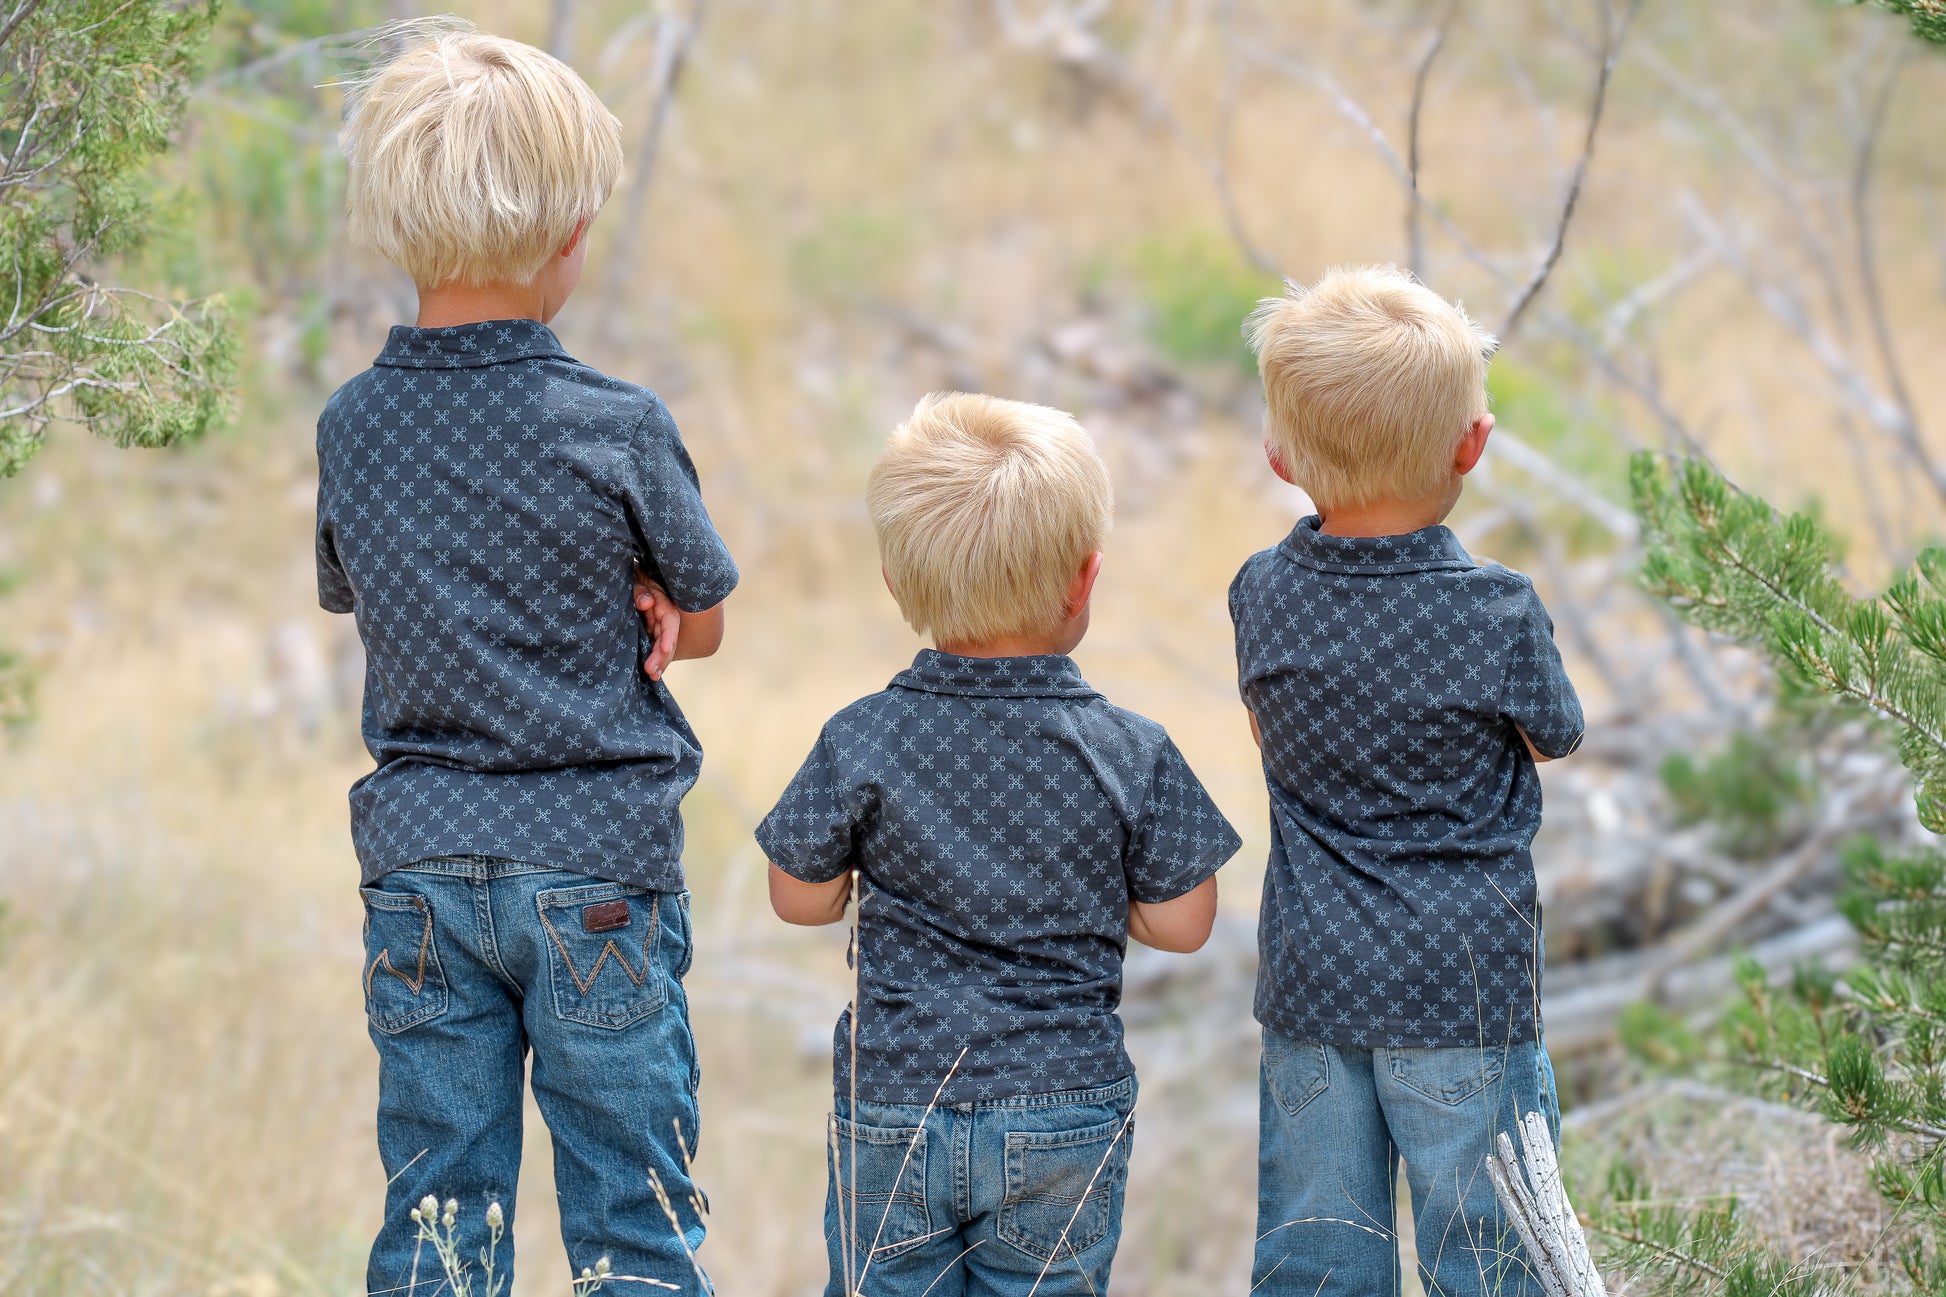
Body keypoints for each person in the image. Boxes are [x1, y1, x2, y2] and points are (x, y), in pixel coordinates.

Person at [315, 26, 735, 1293]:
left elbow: (356, 591)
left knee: (439, 1217)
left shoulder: (355, 424)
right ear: (567, 237)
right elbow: (698, 624)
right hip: (598, 866)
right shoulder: (616, 424)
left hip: (421, 872)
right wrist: (656, 605)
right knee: (634, 1222)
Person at [756, 392, 1241, 1297]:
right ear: (1085, 579)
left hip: (897, 1097)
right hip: (1064, 1100)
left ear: (898, 584)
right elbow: (1186, 925)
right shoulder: (1128, 747)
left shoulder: (862, 737)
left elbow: (796, 894)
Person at [1234, 265, 1584, 1296]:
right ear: (1470, 446)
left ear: (1280, 457)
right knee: (1490, 1253)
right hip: (1462, 982)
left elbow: (1271, 725)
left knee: (1316, 1250)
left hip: (1310, 979)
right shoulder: (1495, 610)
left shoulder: (1261, 591)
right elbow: (1552, 733)